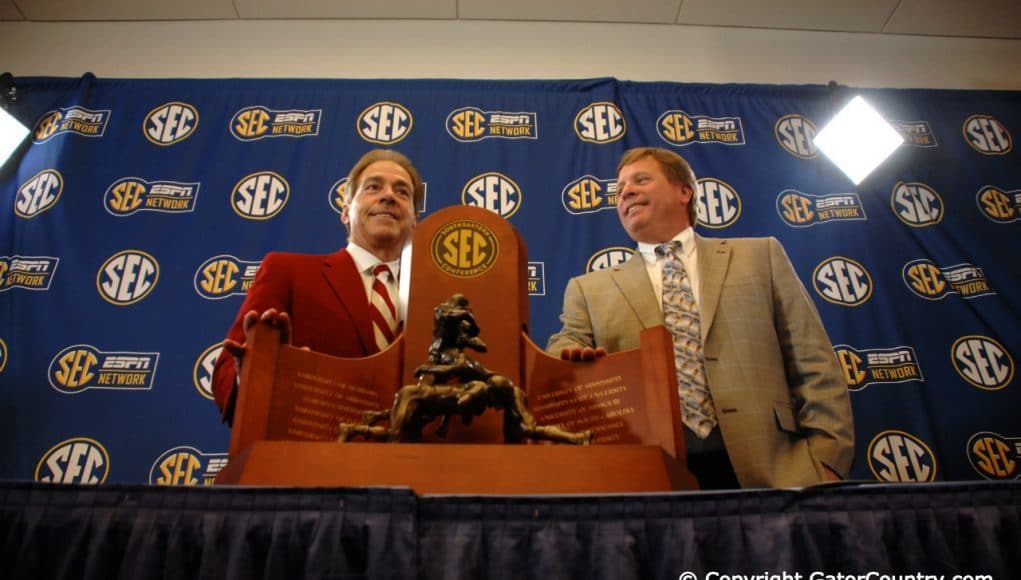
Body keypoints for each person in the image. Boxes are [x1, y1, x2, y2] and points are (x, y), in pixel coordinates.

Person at [546, 147, 854, 489]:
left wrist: (827, 461)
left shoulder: (760, 256)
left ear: (684, 191)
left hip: (776, 472)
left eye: (641, 180)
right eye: (619, 190)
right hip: (650, 478)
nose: (626, 192)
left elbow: (814, 362)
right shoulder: (588, 288)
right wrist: (567, 353)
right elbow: (565, 344)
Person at [211, 149, 424, 424]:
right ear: (346, 212)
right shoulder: (287, 272)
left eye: (402, 192)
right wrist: (257, 374)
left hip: (416, 462)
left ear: (416, 220)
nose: (388, 196)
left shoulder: (437, 297)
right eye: (373, 187)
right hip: (313, 457)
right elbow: (227, 371)